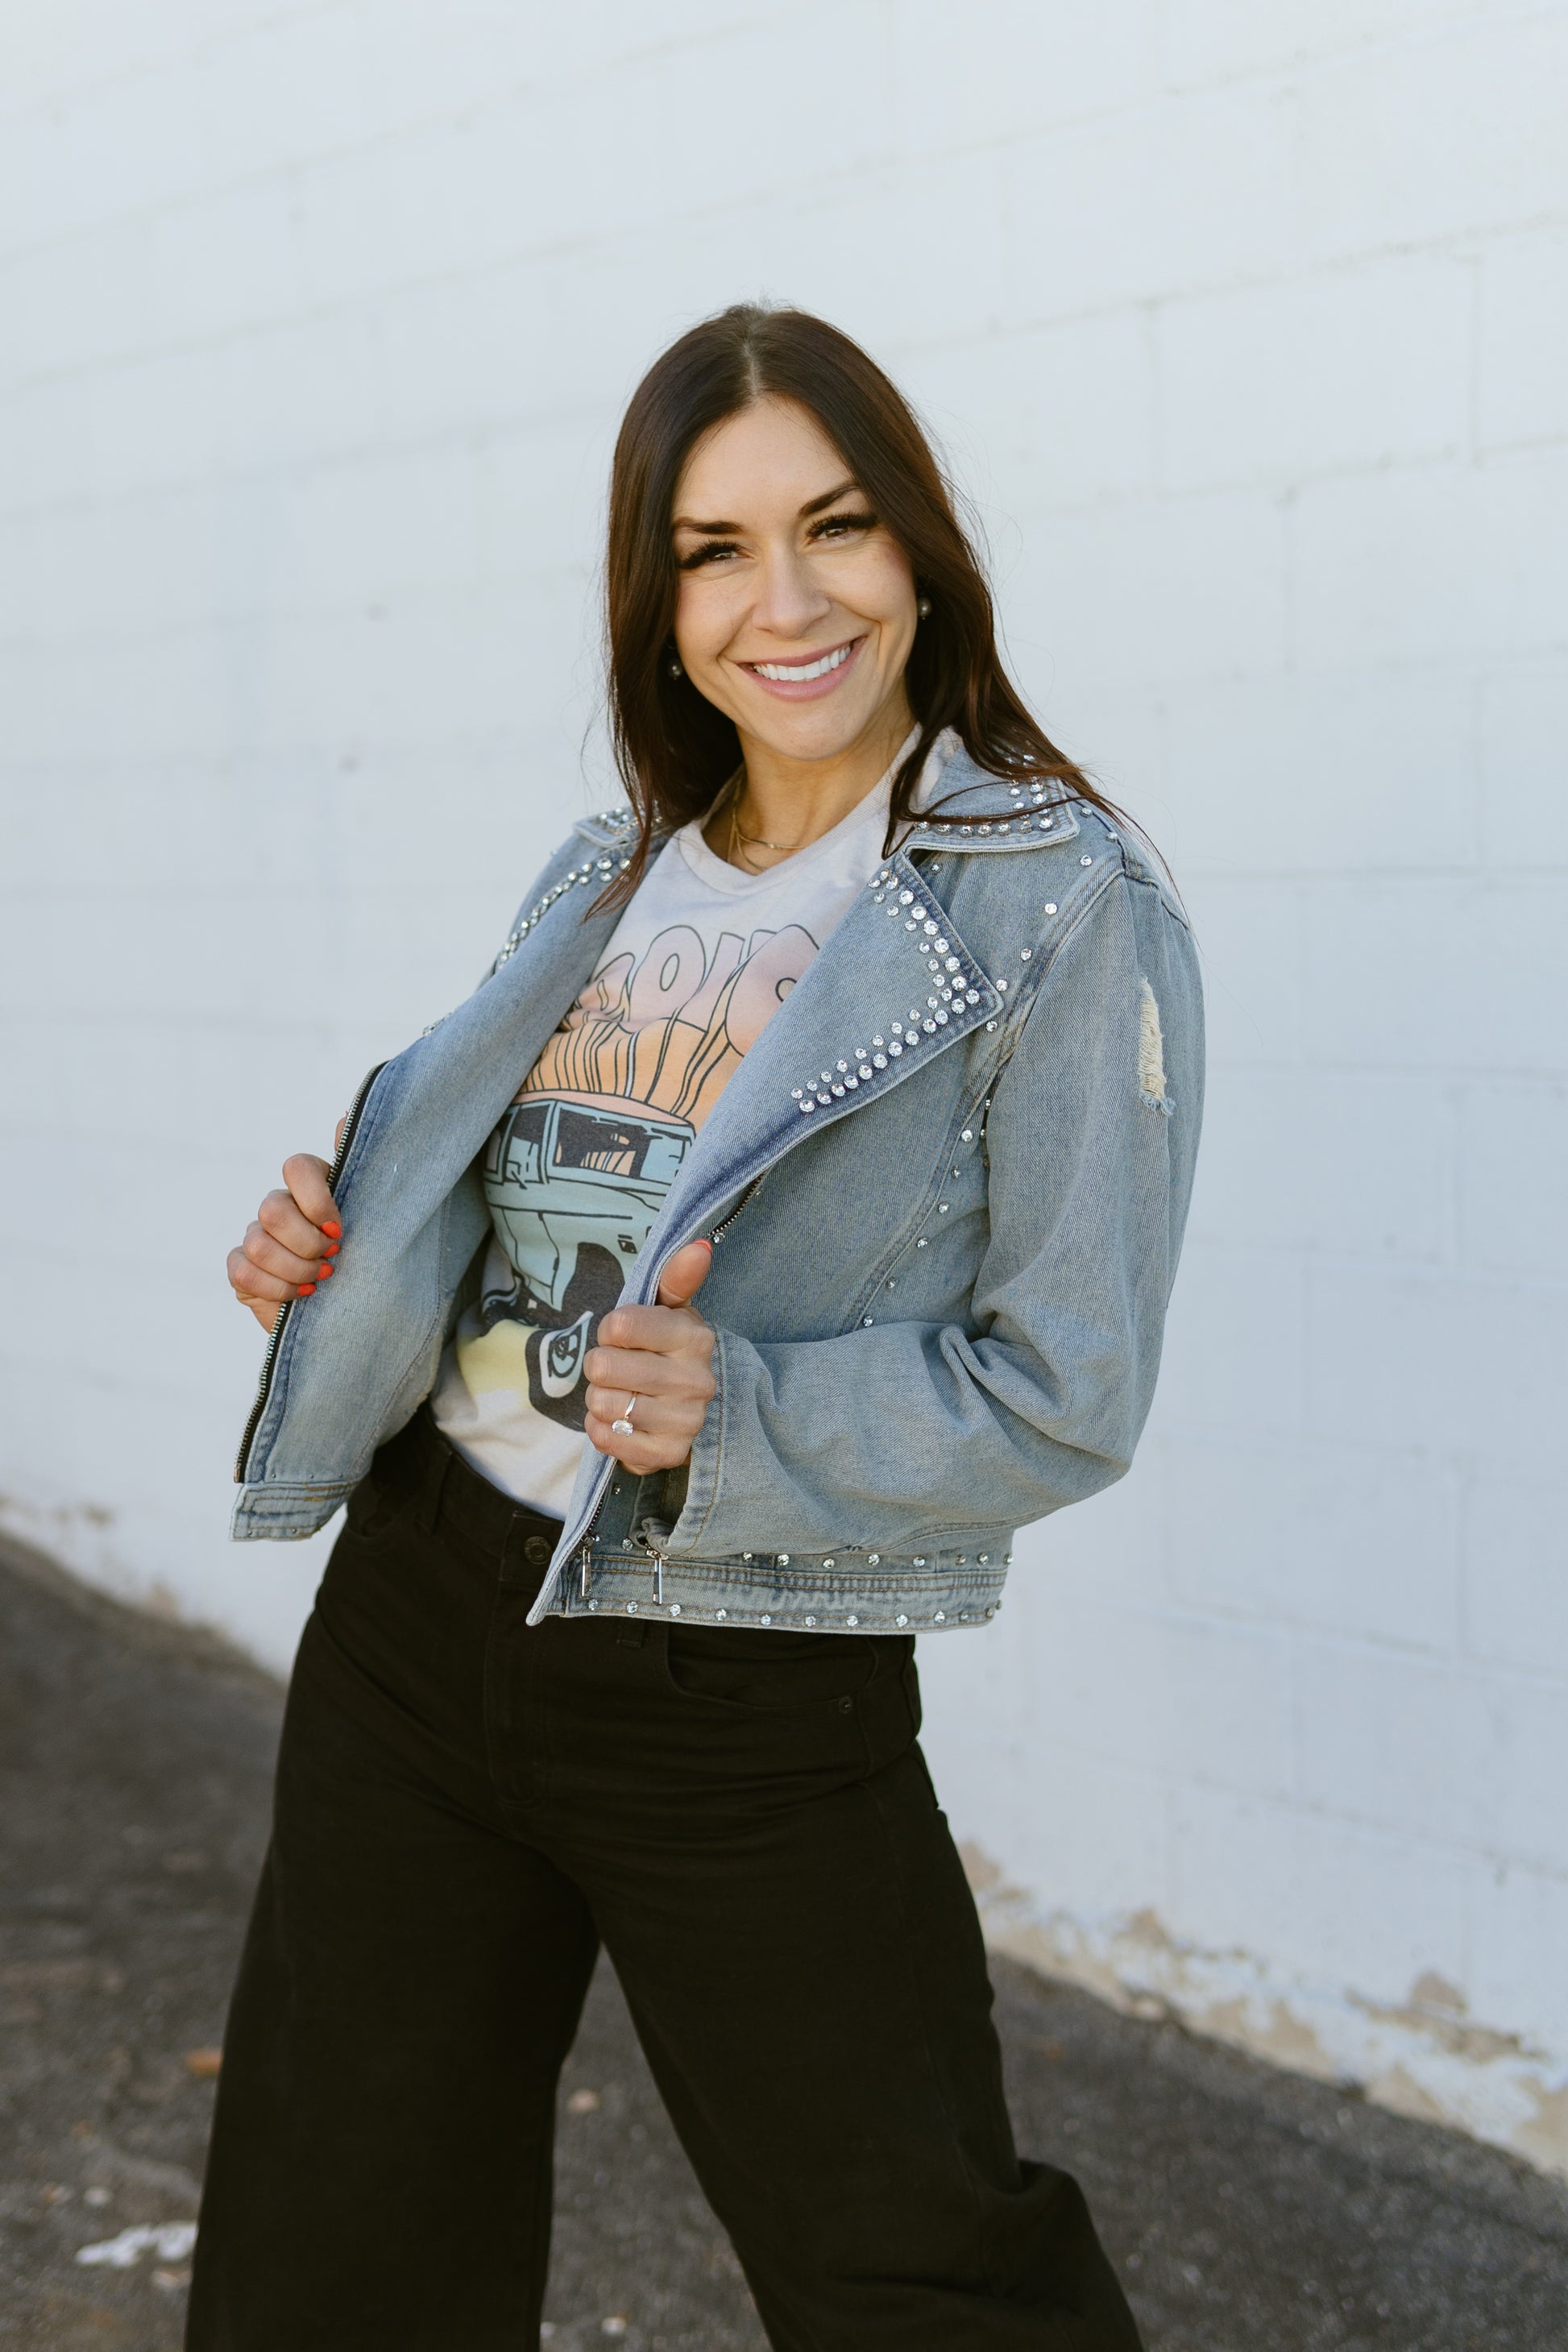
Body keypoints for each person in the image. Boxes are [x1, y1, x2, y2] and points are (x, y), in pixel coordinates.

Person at [193, 303, 1201, 2352]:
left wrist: (736, 1411)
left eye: (835, 526)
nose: (788, 598)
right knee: (337, 2234)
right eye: (717, 548)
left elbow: (1065, 1391)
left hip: (741, 1680)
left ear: (920, 552)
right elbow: (485, 1216)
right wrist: (336, 1236)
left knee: (915, 2264)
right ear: (658, 606)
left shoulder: (1053, 899)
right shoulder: (607, 868)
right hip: (412, 1618)